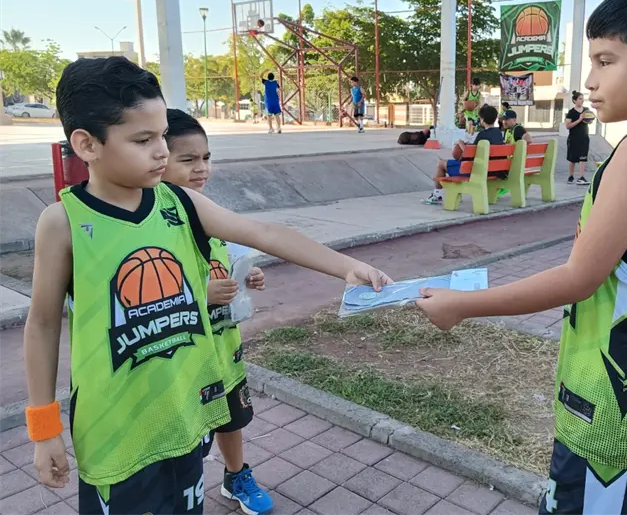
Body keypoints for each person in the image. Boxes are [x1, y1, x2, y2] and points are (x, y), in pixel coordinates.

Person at [24, 56, 391, 514]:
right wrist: (44, 428)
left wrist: (344, 267)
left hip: (185, 419)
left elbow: (264, 233)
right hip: (114, 435)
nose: (161, 150)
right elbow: (41, 325)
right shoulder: (63, 223)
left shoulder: (179, 201)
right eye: (143, 139)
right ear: (87, 144)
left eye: (161, 136)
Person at [416, 0, 627, 515]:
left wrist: (462, 306)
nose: (590, 80)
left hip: (618, 405)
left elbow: (580, 277)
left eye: (605, 60)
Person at [161, 109, 272, 514]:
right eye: (187, 160)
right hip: (182, 355)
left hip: (224, 347)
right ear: (158, 157)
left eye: (205, 158)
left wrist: (249, 276)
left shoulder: (212, 210)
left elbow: (238, 257)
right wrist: (199, 293)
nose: (201, 168)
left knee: (232, 415)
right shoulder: (152, 225)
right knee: (183, 429)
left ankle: (236, 475)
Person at [423, 105, 503, 205]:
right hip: (493, 170)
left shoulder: (482, 134)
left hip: (477, 171)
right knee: (449, 162)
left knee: (441, 164)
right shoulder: (499, 133)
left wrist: (460, 143)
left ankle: (437, 195)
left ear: (482, 119)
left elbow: (471, 155)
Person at [565, 90, 591, 185]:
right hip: (573, 138)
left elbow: (589, 120)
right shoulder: (571, 112)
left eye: (583, 99)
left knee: (583, 158)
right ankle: (571, 176)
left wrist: (589, 120)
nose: (582, 101)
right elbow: (567, 126)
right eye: (580, 99)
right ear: (574, 100)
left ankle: (581, 177)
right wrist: (579, 120)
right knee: (572, 159)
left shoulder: (586, 110)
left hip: (584, 137)